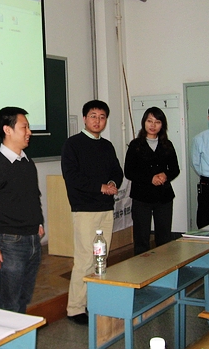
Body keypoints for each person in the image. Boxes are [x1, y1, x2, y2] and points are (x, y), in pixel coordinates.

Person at [61, 100, 123, 325]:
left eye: (102, 117)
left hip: (105, 208)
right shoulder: (72, 144)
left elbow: (117, 171)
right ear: (85, 118)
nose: (98, 121)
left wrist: (112, 182)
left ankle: (93, 302)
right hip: (85, 210)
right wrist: (100, 187)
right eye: (93, 116)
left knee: (101, 258)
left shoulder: (107, 145)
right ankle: (75, 308)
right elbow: (72, 177)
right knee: (85, 259)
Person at [0, 107, 44, 313]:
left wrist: (39, 222)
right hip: (10, 242)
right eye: (24, 127)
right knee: (10, 301)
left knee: (24, 297)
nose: (29, 132)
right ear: (7, 130)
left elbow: (33, 196)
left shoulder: (27, 162)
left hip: (33, 239)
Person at [124, 107, 180, 255]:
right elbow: (129, 171)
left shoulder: (167, 145)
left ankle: (164, 266)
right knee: (141, 237)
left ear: (162, 125)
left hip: (164, 197)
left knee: (164, 237)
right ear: (144, 122)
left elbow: (175, 169)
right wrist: (150, 178)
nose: (153, 125)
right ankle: (141, 267)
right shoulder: (135, 145)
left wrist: (165, 175)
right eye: (149, 121)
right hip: (141, 197)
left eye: (157, 122)